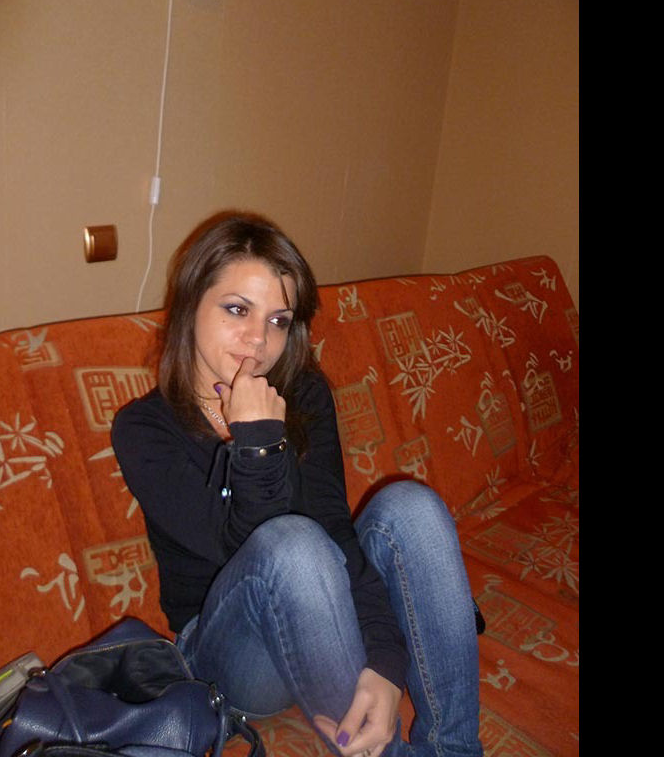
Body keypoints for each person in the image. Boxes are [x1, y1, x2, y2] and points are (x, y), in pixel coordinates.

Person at [112, 212, 483, 757]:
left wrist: (384, 658)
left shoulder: (304, 393)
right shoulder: (144, 429)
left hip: (319, 607)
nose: (259, 340)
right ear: (191, 304)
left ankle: (454, 748)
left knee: (410, 507)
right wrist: (257, 439)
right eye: (237, 309)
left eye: (278, 320)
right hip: (230, 653)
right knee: (292, 543)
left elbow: (335, 528)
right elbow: (243, 545)